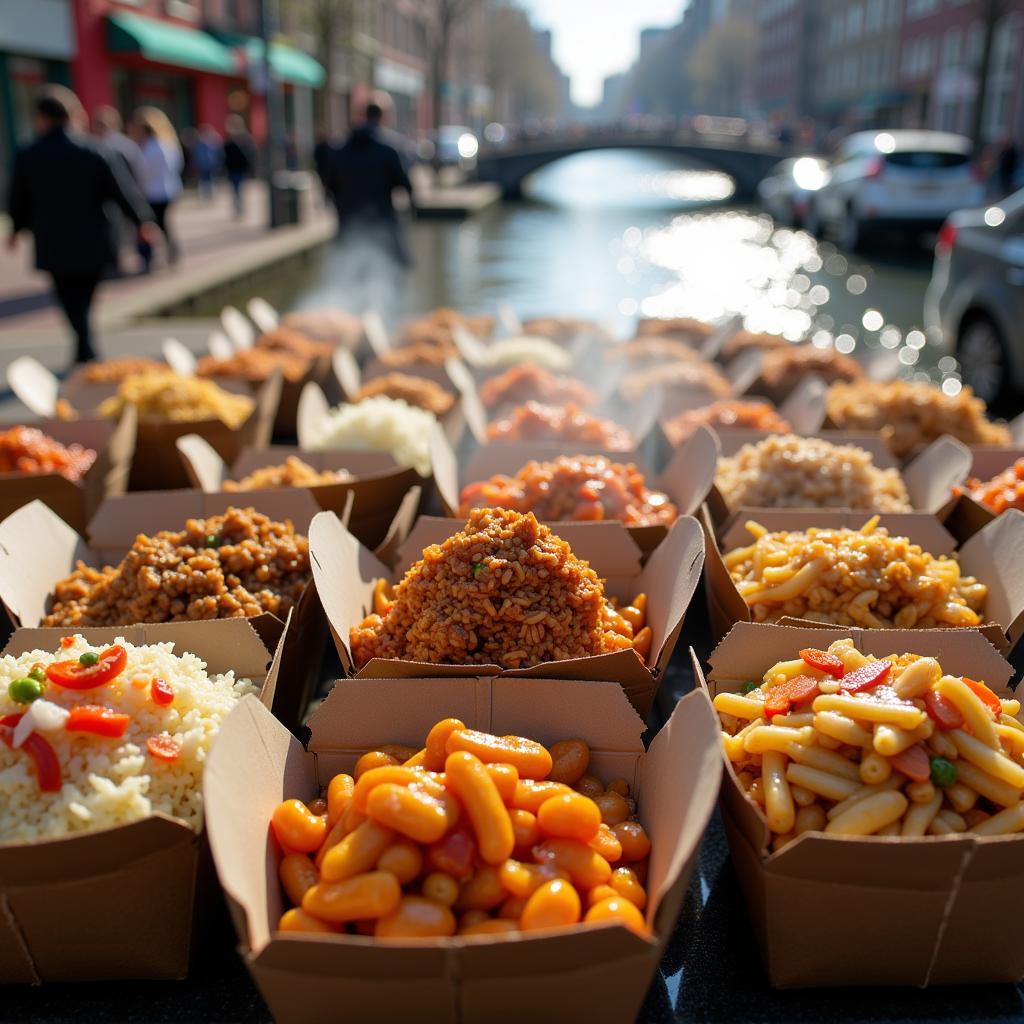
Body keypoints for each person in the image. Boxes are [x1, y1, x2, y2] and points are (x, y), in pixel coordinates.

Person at [6, 86, 155, 364]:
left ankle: (84, 347)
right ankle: (86, 348)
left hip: (53, 241)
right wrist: (142, 222)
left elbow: (18, 200)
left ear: (41, 118)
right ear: (73, 115)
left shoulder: (29, 154)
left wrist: (16, 230)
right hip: (94, 239)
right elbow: (122, 191)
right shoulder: (96, 150)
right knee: (85, 296)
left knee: (68, 297)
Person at [325, 100, 415, 266]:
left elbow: (329, 187)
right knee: (393, 264)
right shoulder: (388, 149)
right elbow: (405, 185)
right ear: (382, 118)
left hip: (348, 222)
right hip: (381, 220)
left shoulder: (340, 150)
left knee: (347, 265)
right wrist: (413, 211)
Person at [92, 105, 145, 276]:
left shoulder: (102, 146)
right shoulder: (126, 143)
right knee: (127, 230)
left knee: (119, 231)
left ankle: (117, 264)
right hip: (126, 193)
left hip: (115, 196)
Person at [132, 107, 183, 270]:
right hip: (168, 190)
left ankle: (147, 258)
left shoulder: (150, 147)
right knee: (163, 225)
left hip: (152, 192)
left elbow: (143, 172)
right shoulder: (168, 143)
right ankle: (171, 251)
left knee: (147, 225)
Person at [223, 115, 255, 218]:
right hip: (232, 170)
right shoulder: (229, 141)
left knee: (238, 189)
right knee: (235, 190)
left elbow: (250, 154)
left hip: (240, 169)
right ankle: (238, 208)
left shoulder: (245, 139)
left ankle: (240, 208)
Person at [192, 124, 222, 200]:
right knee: (204, 180)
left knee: (211, 179)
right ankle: (206, 195)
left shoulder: (212, 142)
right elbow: (196, 155)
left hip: (210, 165)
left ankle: (211, 194)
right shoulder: (199, 143)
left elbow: (217, 153)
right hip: (202, 165)